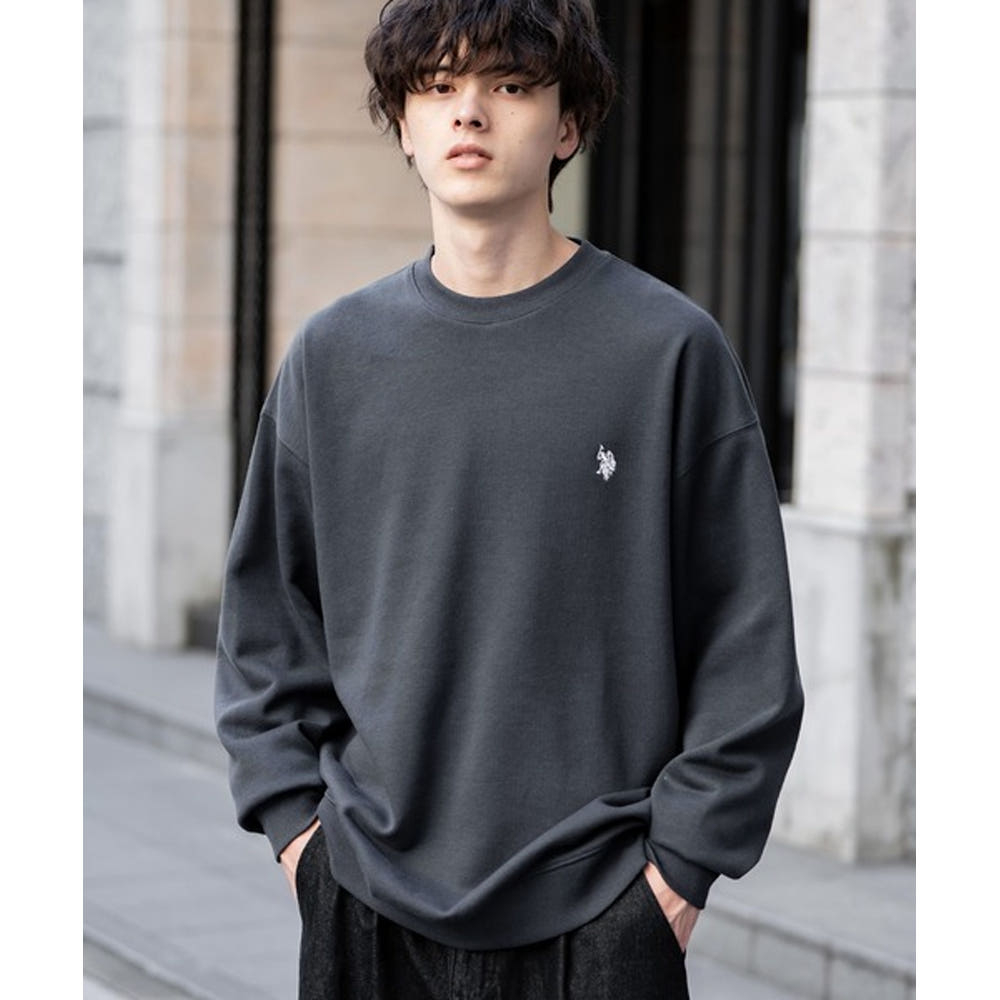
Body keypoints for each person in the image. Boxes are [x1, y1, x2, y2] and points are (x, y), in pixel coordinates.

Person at [214, 1, 805, 997]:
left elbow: (745, 640)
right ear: (404, 126)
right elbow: (266, 625)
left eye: (510, 85)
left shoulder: (667, 351)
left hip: (602, 911)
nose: (469, 113)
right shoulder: (333, 357)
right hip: (366, 901)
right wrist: (298, 833)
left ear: (568, 125)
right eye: (438, 87)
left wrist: (678, 872)